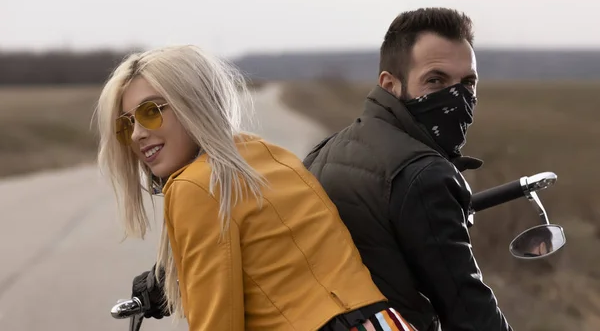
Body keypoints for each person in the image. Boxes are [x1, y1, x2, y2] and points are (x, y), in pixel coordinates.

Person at [95, 45, 416, 331]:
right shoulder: (269, 156)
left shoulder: (193, 187)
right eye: (126, 124)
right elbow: (274, 257)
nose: (137, 134)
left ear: (191, 104)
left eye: (150, 112)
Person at [302, 8, 513, 331]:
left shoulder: (324, 151)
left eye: (468, 83)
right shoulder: (423, 174)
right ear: (390, 84)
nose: (457, 98)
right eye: (435, 80)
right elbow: (472, 314)